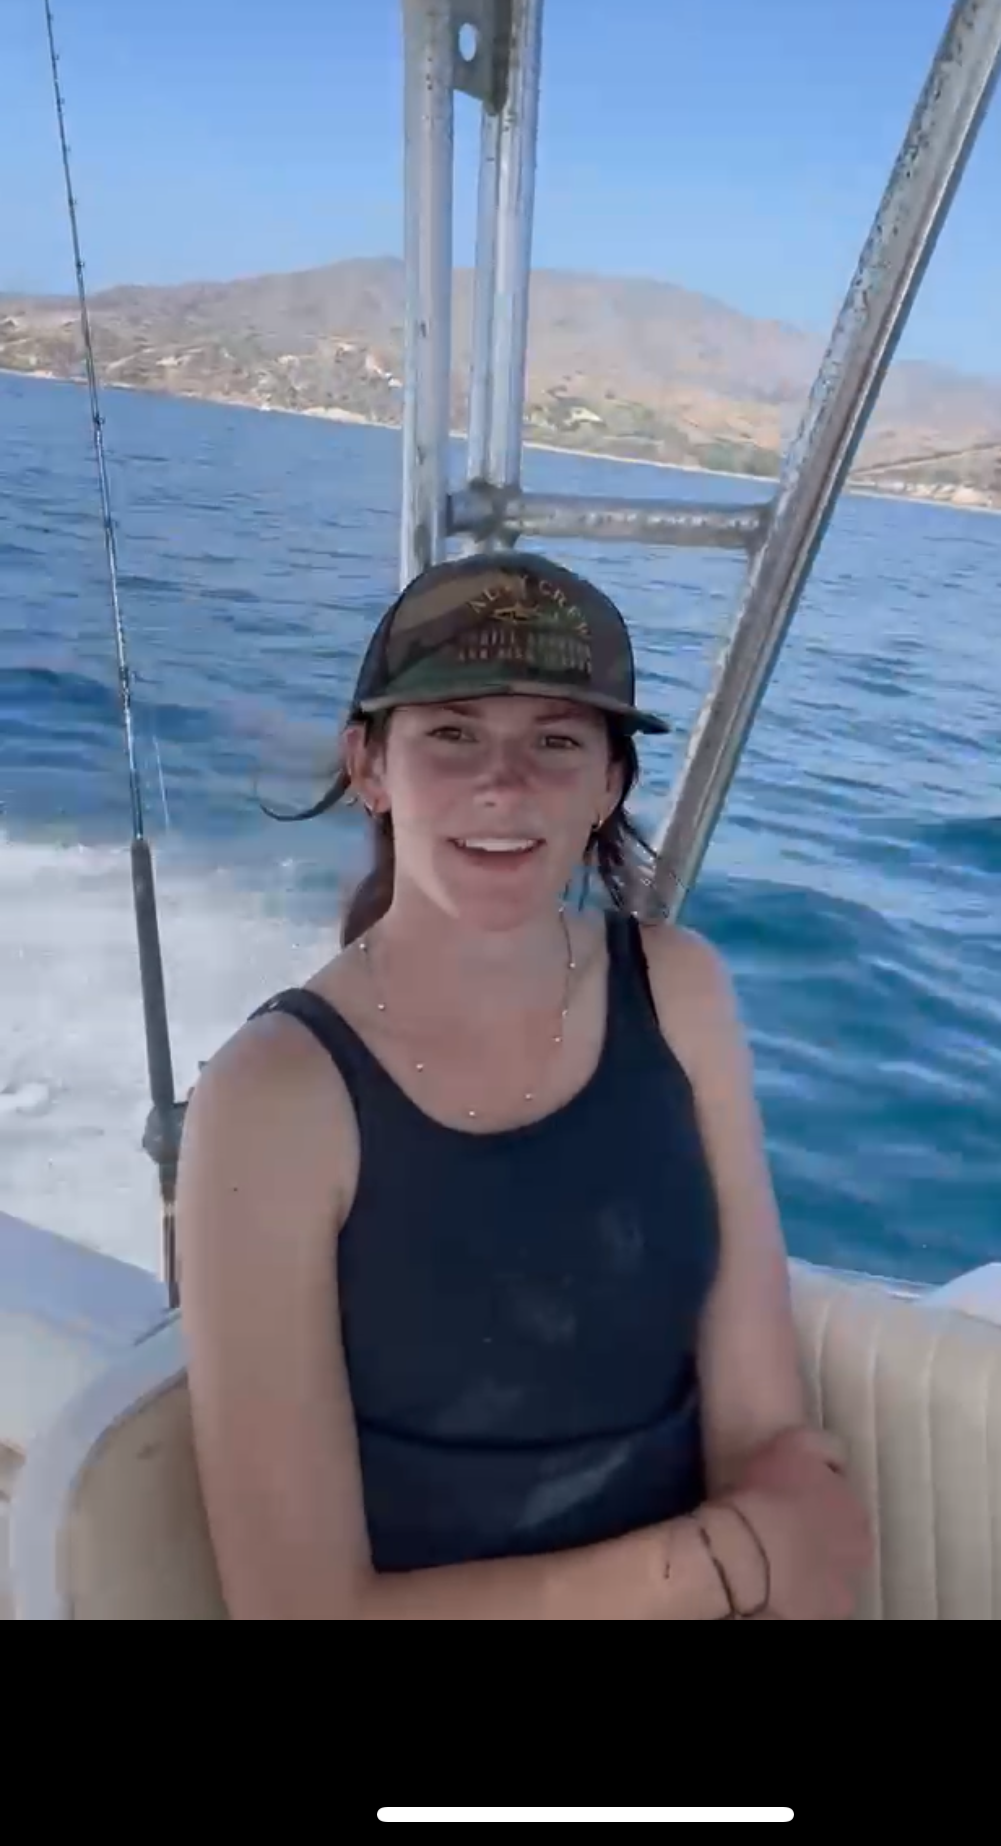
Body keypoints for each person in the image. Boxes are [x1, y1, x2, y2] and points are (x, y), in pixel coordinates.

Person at [178, 550, 871, 1620]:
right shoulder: (271, 1098)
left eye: (555, 742)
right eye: (451, 734)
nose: (504, 784)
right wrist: (719, 1563)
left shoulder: (679, 990)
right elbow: (297, 1608)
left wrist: (775, 1560)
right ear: (369, 766)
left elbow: (761, 1426)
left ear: (608, 786)